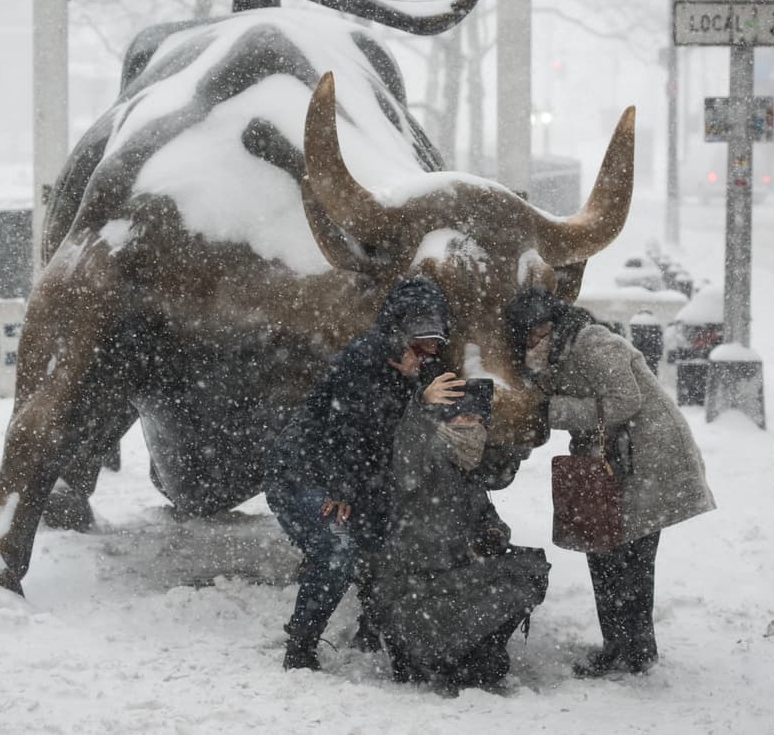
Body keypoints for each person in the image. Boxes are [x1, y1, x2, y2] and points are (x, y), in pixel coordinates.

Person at [506, 288, 715, 676]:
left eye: (540, 330)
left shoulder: (592, 341)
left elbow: (625, 401)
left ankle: (636, 650)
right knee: (604, 550)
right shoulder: (554, 359)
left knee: (632, 555)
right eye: (529, 335)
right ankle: (620, 644)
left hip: (647, 456)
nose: (535, 340)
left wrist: (554, 410)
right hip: (614, 460)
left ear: (555, 323)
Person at [264, 276, 464, 671]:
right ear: (398, 330)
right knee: (336, 551)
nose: (427, 351)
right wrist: (341, 489)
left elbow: (400, 439)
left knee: (389, 547)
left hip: (361, 481)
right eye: (420, 340)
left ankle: (373, 633)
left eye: (434, 342)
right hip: (305, 475)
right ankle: (300, 647)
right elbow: (351, 428)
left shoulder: (418, 370)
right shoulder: (364, 356)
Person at [370, 379, 550, 692]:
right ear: (445, 418)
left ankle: (471, 653)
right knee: (518, 576)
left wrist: (494, 534)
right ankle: (423, 656)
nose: (473, 427)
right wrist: (421, 405)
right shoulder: (424, 457)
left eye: (479, 420)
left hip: (448, 582)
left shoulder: (464, 467)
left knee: (531, 569)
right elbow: (409, 442)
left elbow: (488, 516)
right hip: (412, 589)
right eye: (465, 417)